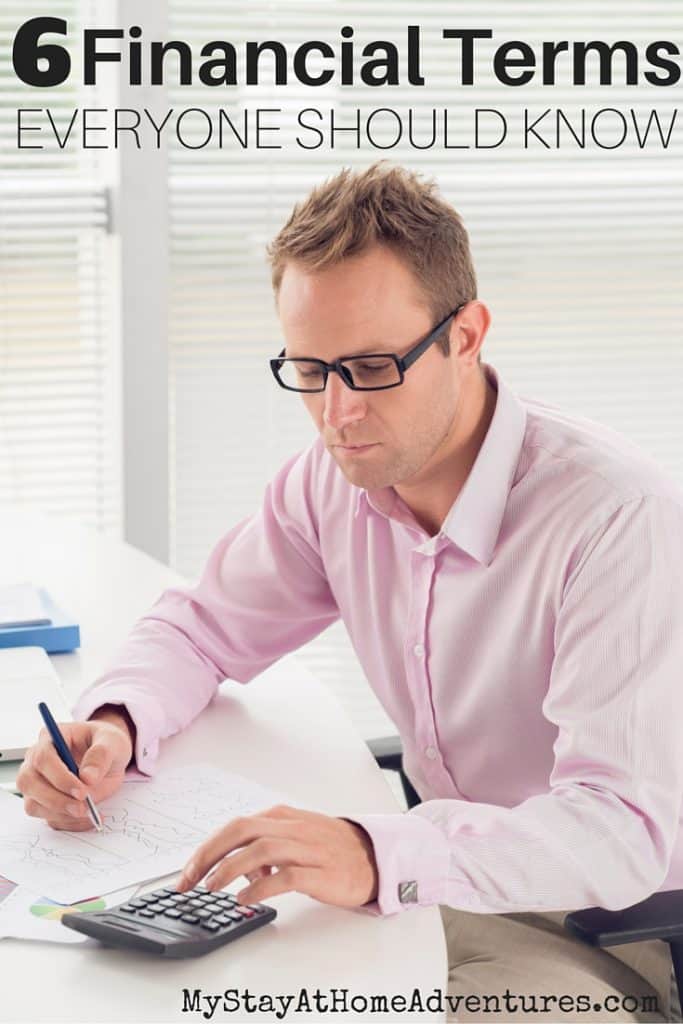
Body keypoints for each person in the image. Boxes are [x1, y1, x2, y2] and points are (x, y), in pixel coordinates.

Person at [17, 162, 683, 1022]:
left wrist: (374, 853)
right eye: (308, 369)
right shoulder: (333, 483)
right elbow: (199, 629)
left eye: (370, 367)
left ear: (467, 335)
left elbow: (620, 830)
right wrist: (113, 725)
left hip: (608, 932)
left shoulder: (616, 520)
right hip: (440, 884)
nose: (337, 414)